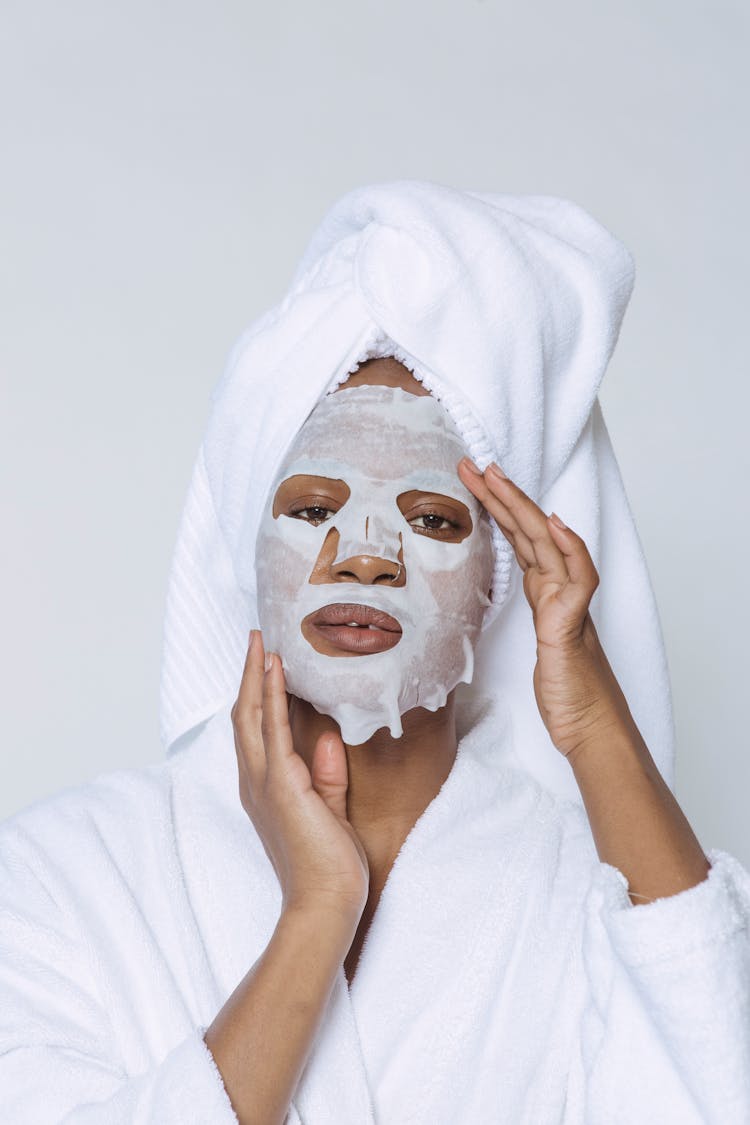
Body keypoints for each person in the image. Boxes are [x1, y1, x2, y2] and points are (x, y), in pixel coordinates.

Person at [1, 181, 749, 1125]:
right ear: (248, 548)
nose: (362, 552)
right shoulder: (62, 874)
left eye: (431, 518)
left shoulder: (580, 897)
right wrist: (318, 912)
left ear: (498, 582)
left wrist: (597, 724)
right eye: (313, 509)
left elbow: (711, 1090)